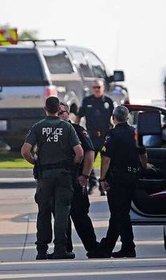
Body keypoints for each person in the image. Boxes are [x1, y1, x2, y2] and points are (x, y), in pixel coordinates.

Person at [21, 96, 83, 260]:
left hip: (45, 176)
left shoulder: (38, 127)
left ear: (45, 109)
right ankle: (60, 248)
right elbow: (80, 153)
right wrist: (72, 165)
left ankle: (41, 249)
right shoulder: (67, 127)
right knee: (62, 210)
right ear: (58, 109)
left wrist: (35, 162)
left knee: (43, 212)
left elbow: (25, 151)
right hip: (63, 174)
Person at [88, 106, 144, 259]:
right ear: (127, 117)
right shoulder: (135, 133)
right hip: (133, 177)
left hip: (117, 179)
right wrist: (146, 167)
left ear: (113, 118)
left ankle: (125, 247)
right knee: (120, 214)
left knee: (119, 213)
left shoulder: (112, 135)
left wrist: (102, 179)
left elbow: (106, 159)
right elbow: (142, 152)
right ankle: (113, 247)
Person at [57, 103, 99, 255]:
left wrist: (85, 175)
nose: (60, 115)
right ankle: (65, 249)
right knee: (62, 217)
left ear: (68, 114)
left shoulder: (77, 130)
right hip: (58, 181)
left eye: (62, 112)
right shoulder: (50, 131)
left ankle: (92, 247)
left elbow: (89, 152)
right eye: (57, 112)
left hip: (76, 179)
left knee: (80, 215)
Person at [76, 79, 114, 195]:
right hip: (91, 136)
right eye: (94, 87)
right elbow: (79, 116)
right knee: (88, 159)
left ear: (103, 88)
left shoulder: (108, 101)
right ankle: (92, 183)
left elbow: (115, 117)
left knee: (106, 160)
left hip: (105, 136)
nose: (96, 90)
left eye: (98, 87)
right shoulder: (87, 101)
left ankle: (104, 184)